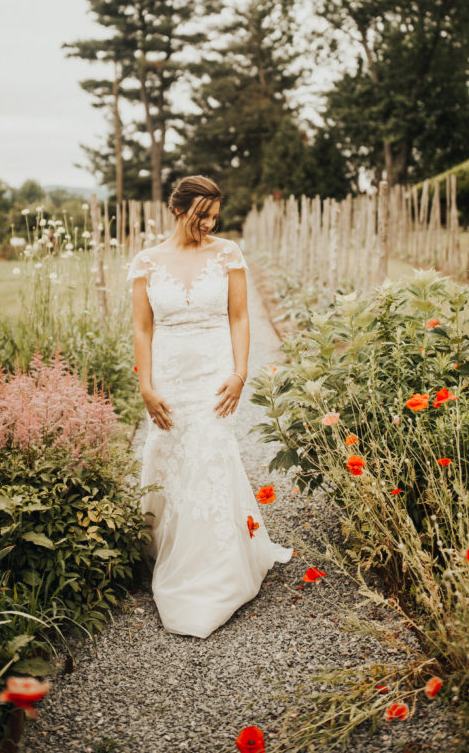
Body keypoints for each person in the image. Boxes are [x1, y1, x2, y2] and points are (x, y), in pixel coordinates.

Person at [127, 174, 292, 638]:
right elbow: (142, 329)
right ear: (178, 210)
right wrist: (146, 385)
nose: (209, 224)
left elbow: (239, 317)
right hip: (169, 375)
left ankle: (213, 570)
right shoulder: (146, 262)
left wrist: (239, 373)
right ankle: (167, 546)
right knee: (169, 454)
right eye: (201, 215)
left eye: (215, 216)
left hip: (214, 373)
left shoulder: (227, 254)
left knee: (209, 453)